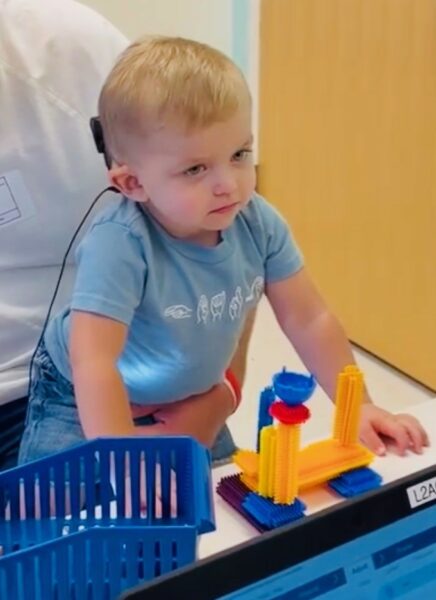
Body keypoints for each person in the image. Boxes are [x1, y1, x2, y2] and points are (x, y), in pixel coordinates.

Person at [18, 36, 428, 468]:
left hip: (189, 392)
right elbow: (93, 363)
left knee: (219, 505)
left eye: (239, 154)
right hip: (78, 396)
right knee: (52, 508)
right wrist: (128, 460)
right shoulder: (119, 244)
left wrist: (359, 406)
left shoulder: (257, 221)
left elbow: (309, 318)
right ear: (133, 184)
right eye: (195, 169)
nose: (228, 183)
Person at [0, 1, 249, 471]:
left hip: (139, 369)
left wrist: (224, 390)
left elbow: (231, 245)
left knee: (223, 526)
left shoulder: (75, 53)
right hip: (72, 375)